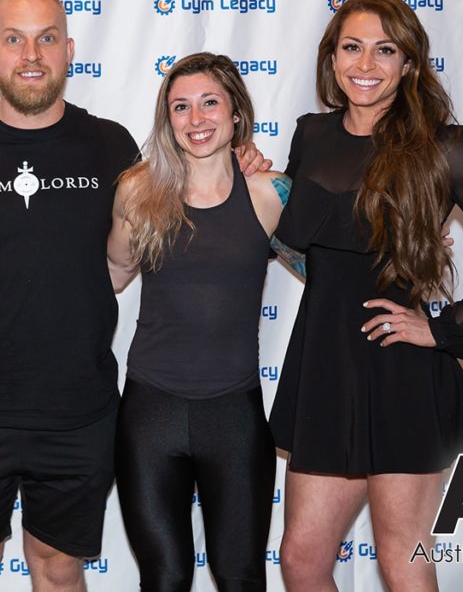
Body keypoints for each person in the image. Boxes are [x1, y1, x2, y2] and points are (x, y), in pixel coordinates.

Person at [0, 0, 268, 592]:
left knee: (59, 568)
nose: (31, 54)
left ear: (68, 50)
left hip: (79, 409)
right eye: (14, 39)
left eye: (46, 38)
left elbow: (184, 195)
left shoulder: (112, 148)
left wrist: (240, 157)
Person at [269, 0, 463, 591]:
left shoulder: (443, 147)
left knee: (402, 560)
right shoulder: (310, 135)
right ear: (331, 57)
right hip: (324, 363)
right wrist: (257, 181)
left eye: (384, 50)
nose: (365, 64)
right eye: (352, 47)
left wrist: (444, 328)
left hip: (399, 369)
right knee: (301, 560)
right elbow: (302, 243)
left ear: (408, 63)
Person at [106, 52, 305, 591]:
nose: (196, 119)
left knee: (240, 577)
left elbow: (330, 269)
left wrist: (409, 258)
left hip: (234, 417)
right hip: (150, 415)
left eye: (209, 103)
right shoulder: (138, 190)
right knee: (165, 579)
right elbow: (113, 273)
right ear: (167, 119)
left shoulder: (271, 193)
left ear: (235, 112)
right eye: (181, 107)